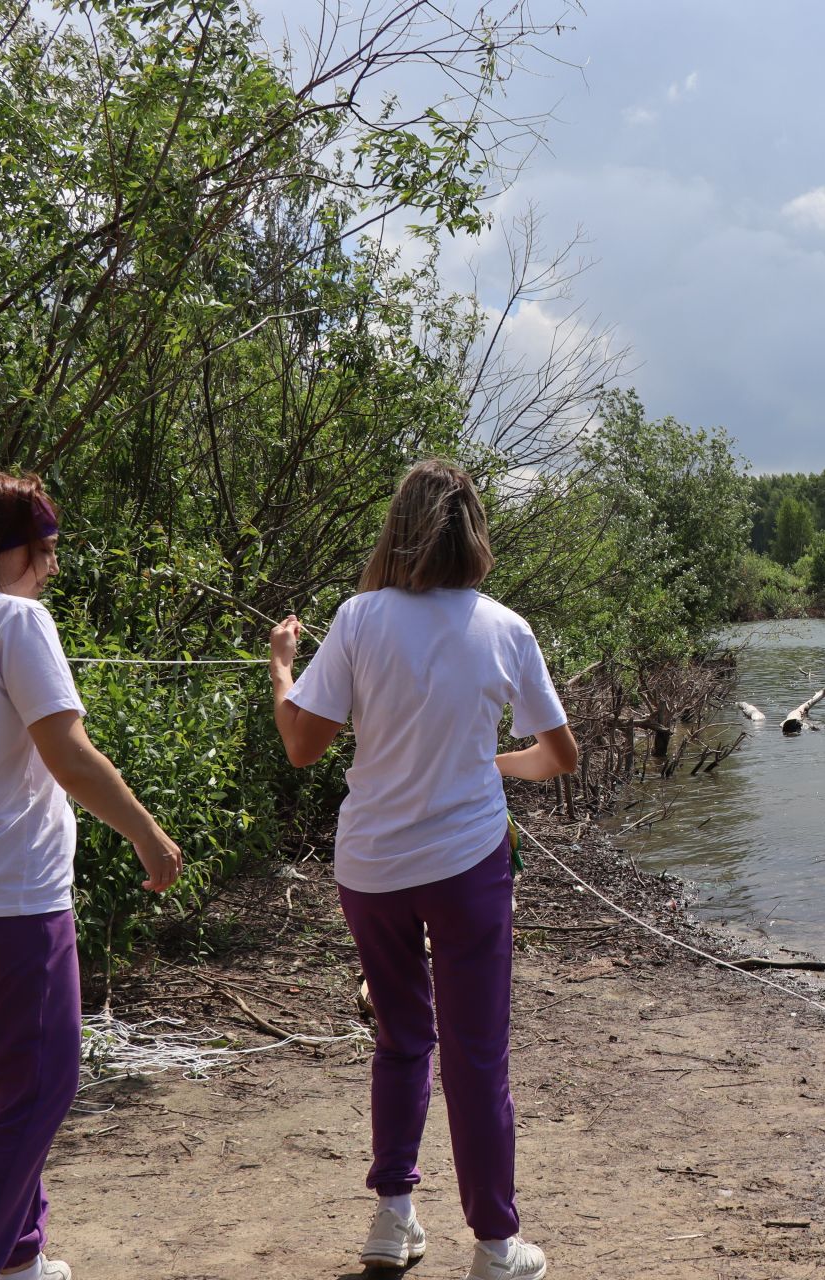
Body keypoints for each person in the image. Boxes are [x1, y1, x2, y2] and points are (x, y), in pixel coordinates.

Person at [268, 459, 578, 1280]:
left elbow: (301, 745)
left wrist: (280, 670)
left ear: (397, 529)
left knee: (403, 1036)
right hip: (465, 865)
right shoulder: (505, 626)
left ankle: (392, 1217)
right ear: (474, 532)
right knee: (477, 1052)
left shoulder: (360, 617)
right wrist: (492, 765)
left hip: (370, 868)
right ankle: (495, 1246)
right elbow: (561, 755)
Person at [0, 468, 184, 1280]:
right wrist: (148, 835)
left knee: (0, 1090)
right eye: (41, 550)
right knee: (40, 1091)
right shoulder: (16, 622)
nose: (51, 568)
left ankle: (18, 1254)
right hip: (15, 900)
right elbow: (69, 755)